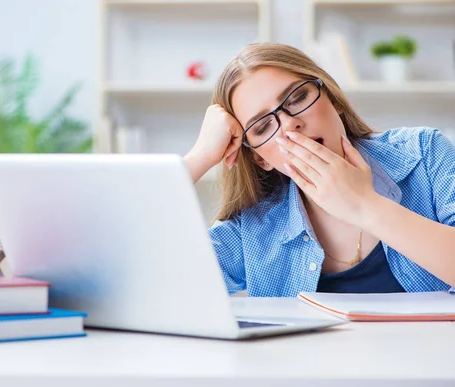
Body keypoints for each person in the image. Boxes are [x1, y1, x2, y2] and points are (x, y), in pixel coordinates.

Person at [183, 43, 455, 296]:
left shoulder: (424, 151)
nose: (289, 125)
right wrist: (198, 159)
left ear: (333, 99)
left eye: (297, 97)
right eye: (263, 127)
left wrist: (364, 205)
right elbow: (151, 285)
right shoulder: (254, 229)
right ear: (260, 159)